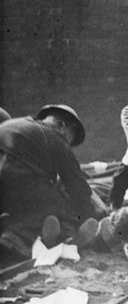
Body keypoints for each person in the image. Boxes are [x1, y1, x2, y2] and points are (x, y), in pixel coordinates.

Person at [0, 105, 101, 257]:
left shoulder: (12, 124)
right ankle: (17, 237)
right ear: (64, 126)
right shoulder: (55, 138)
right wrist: (89, 215)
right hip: (16, 183)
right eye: (70, 140)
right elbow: (76, 184)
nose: (68, 144)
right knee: (55, 203)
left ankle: (9, 226)